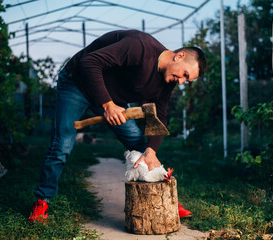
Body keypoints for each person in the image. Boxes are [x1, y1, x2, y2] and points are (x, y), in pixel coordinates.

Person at [29, 30, 207, 223]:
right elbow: (89, 62)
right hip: (77, 83)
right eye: (184, 75)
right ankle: (42, 200)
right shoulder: (140, 47)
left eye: (186, 81)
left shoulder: (167, 80)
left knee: (141, 147)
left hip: (111, 100)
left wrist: (151, 150)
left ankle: (167, 200)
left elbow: (160, 117)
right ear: (179, 56)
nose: (180, 81)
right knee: (62, 143)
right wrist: (107, 104)